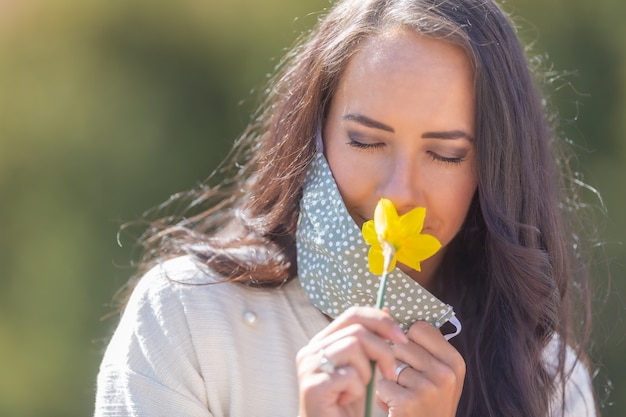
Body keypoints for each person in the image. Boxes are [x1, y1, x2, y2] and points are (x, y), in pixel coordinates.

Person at [94, 0, 599, 416]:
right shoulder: (186, 317)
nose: (399, 191)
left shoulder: (550, 379)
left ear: (495, 168)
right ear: (314, 134)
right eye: (365, 141)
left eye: (445, 153)